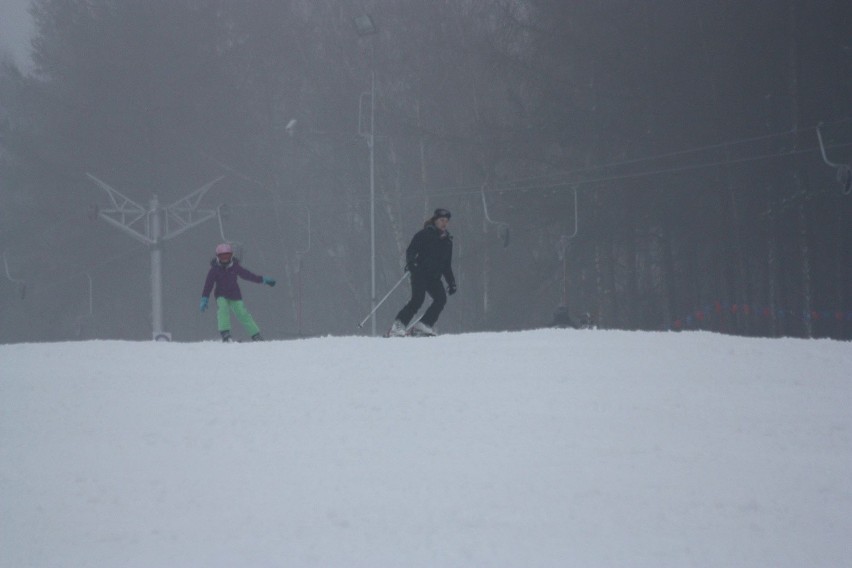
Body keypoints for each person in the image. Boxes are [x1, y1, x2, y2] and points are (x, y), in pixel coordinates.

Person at [388, 208, 457, 337]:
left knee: (441, 299)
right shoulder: (425, 234)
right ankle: (398, 325)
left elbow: (447, 265)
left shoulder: (447, 241)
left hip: (434, 277)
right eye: (442, 220)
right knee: (418, 299)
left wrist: (451, 282)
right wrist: (411, 263)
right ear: (435, 221)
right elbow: (411, 250)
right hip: (420, 273)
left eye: (446, 221)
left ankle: (423, 325)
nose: (444, 223)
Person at [200, 243, 276, 342]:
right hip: (221, 294)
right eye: (222, 256)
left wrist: (262, 280)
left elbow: (248, 275)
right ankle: (225, 333)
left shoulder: (235, 267)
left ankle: (255, 334)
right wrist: (204, 298)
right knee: (223, 309)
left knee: (242, 313)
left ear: (231, 255)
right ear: (217, 257)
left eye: (227, 256)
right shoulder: (214, 270)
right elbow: (208, 285)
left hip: (235, 295)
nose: (225, 259)